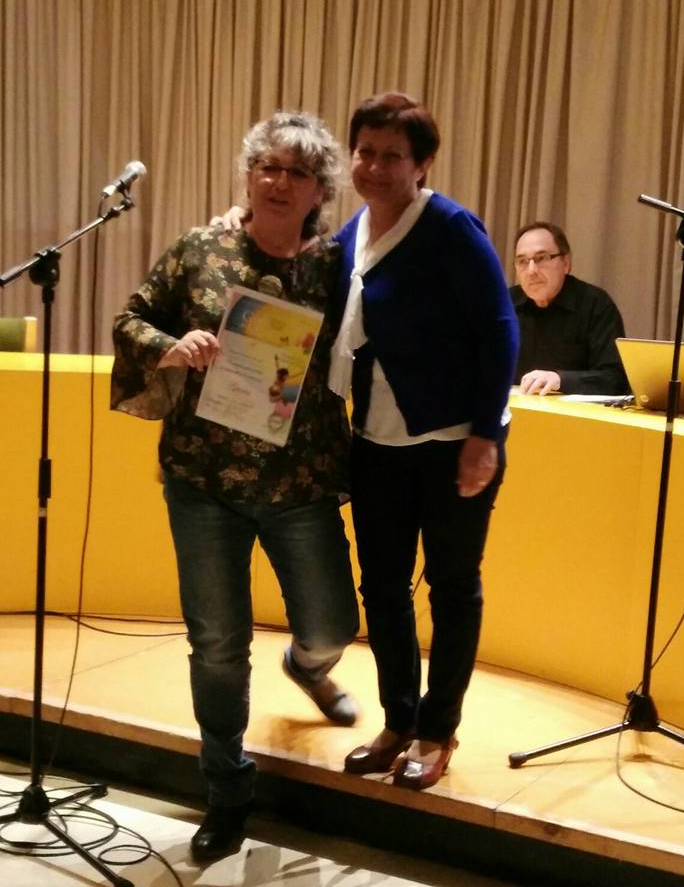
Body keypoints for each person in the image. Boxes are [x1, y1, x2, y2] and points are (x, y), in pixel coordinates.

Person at [111, 112, 360, 862]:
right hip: (203, 481)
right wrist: (171, 345)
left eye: (297, 172)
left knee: (333, 626)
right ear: (249, 174)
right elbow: (131, 318)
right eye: (267, 167)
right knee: (217, 645)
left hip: (301, 482)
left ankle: (307, 668)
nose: (279, 181)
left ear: (319, 189)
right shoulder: (201, 247)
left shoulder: (337, 265)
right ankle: (227, 790)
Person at [329, 92, 519, 790]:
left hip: (452, 442)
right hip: (375, 441)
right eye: (365, 152)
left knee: (452, 588)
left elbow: (500, 332)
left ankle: (438, 731)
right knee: (382, 588)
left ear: (423, 164)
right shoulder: (350, 234)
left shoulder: (449, 228)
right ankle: (398, 720)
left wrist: (484, 436)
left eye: (392, 155)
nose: (375, 167)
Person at [511, 222, 630, 395]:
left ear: (566, 263)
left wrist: (560, 380)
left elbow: (615, 378)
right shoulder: (505, 303)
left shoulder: (595, 304)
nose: (531, 271)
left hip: (576, 411)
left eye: (541, 258)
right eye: (522, 261)